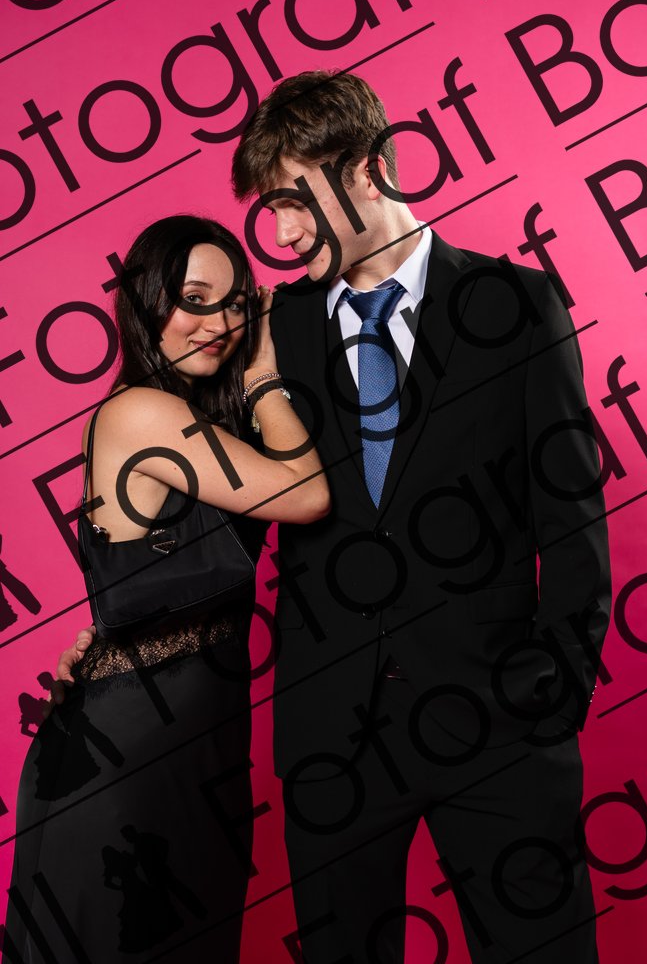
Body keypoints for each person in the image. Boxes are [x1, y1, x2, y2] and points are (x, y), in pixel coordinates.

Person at [58, 72, 611, 963]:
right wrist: (118, 631)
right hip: (332, 741)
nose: (278, 234)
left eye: (290, 201)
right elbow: (204, 494)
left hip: (499, 724)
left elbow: (572, 516)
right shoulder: (275, 326)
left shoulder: (513, 303)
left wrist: (554, 691)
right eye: (270, 211)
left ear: (363, 167)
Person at [3, 215, 329, 964]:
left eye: (235, 303)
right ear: (148, 302)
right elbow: (308, 495)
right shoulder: (140, 411)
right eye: (194, 299)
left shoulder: (201, 421)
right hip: (124, 761)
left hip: (195, 747)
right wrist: (265, 377)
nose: (219, 323)